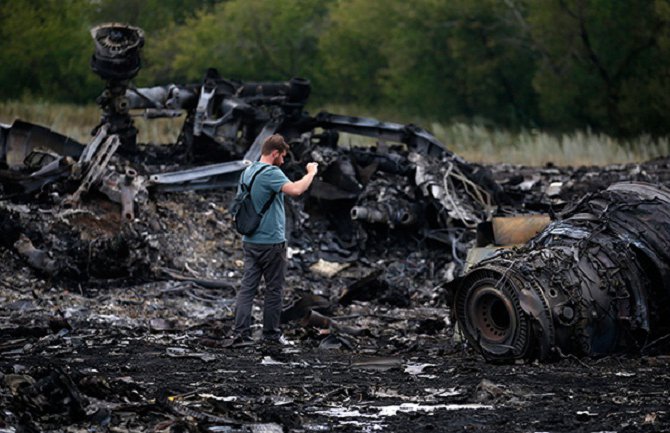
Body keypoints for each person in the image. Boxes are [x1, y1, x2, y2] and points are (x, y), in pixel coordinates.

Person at [232, 133, 318, 346]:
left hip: (250, 240)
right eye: (282, 156)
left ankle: (241, 333)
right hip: (271, 243)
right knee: (274, 290)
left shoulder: (247, 172)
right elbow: (297, 190)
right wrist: (311, 172)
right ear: (275, 153)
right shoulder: (271, 173)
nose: (284, 160)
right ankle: (270, 335)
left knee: (247, 289)